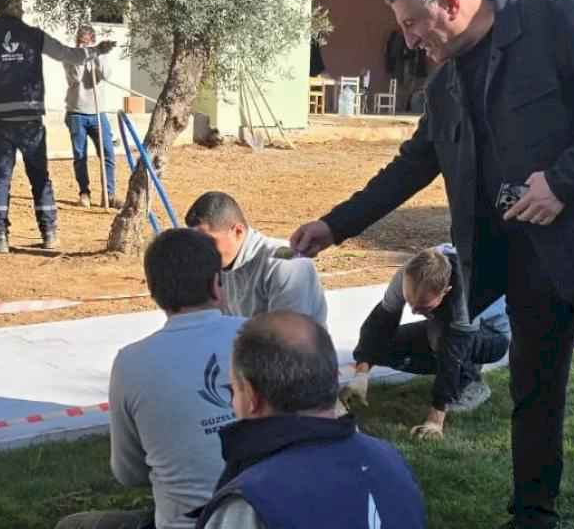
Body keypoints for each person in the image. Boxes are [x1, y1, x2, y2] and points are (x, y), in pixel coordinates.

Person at [289, 0, 574, 529]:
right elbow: (412, 165)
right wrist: (335, 225)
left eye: (412, 23)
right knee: (534, 398)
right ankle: (532, 516)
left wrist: (564, 182)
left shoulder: (559, 19)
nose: (409, 38)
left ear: (449, 3)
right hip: (525, 261)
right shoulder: (447, 81)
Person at [55, 228, 245, 529]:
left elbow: (129, 473)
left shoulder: (131, 363)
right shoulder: (262, 336)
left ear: (153, 292)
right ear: (216, 284)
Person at [194, 311, 427, 529]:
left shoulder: (249, 506)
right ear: (334, 379)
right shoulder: (391, 460)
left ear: (252, 396)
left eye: (234, 389)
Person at [0, 0, 111, 253]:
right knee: (39, 175)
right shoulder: (33, 36)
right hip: (30, 116)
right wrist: (96, 51)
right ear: (12, 5)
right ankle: (49, 233)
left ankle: (0, 237)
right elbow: (67, 54)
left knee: (0, 177)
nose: (22, 8)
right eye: (19, 3)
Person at [340, 244, 510, 439]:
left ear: (446, 291)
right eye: (409, 302)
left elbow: (451, 355)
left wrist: (435, 420)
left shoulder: (463, 294)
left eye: (422, 306)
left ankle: (470, 382)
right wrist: (362, 374)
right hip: (443, 327)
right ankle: (459, 376)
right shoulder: (407, 273)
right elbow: (378, 325)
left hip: (492, 335)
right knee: (387, 349)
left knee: (440, 338)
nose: (413, 311)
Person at [185, 192, 327, 326]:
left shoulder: (285, 263)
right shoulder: (220, 265)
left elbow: (289, 340)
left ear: (238, 232)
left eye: (208, 242)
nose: (201, 251)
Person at [64, 24, 121, 209]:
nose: (85, 44)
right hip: (77, 113)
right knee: (80, 155)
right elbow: (75, 78)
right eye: (81, 42)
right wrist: (82, 54)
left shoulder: (100, 54)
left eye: (88, 42)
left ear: (94, 41)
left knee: (108, 153)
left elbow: (106, 75)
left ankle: (109, 195)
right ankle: (84, 193)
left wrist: (99, 54)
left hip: (98, 112)